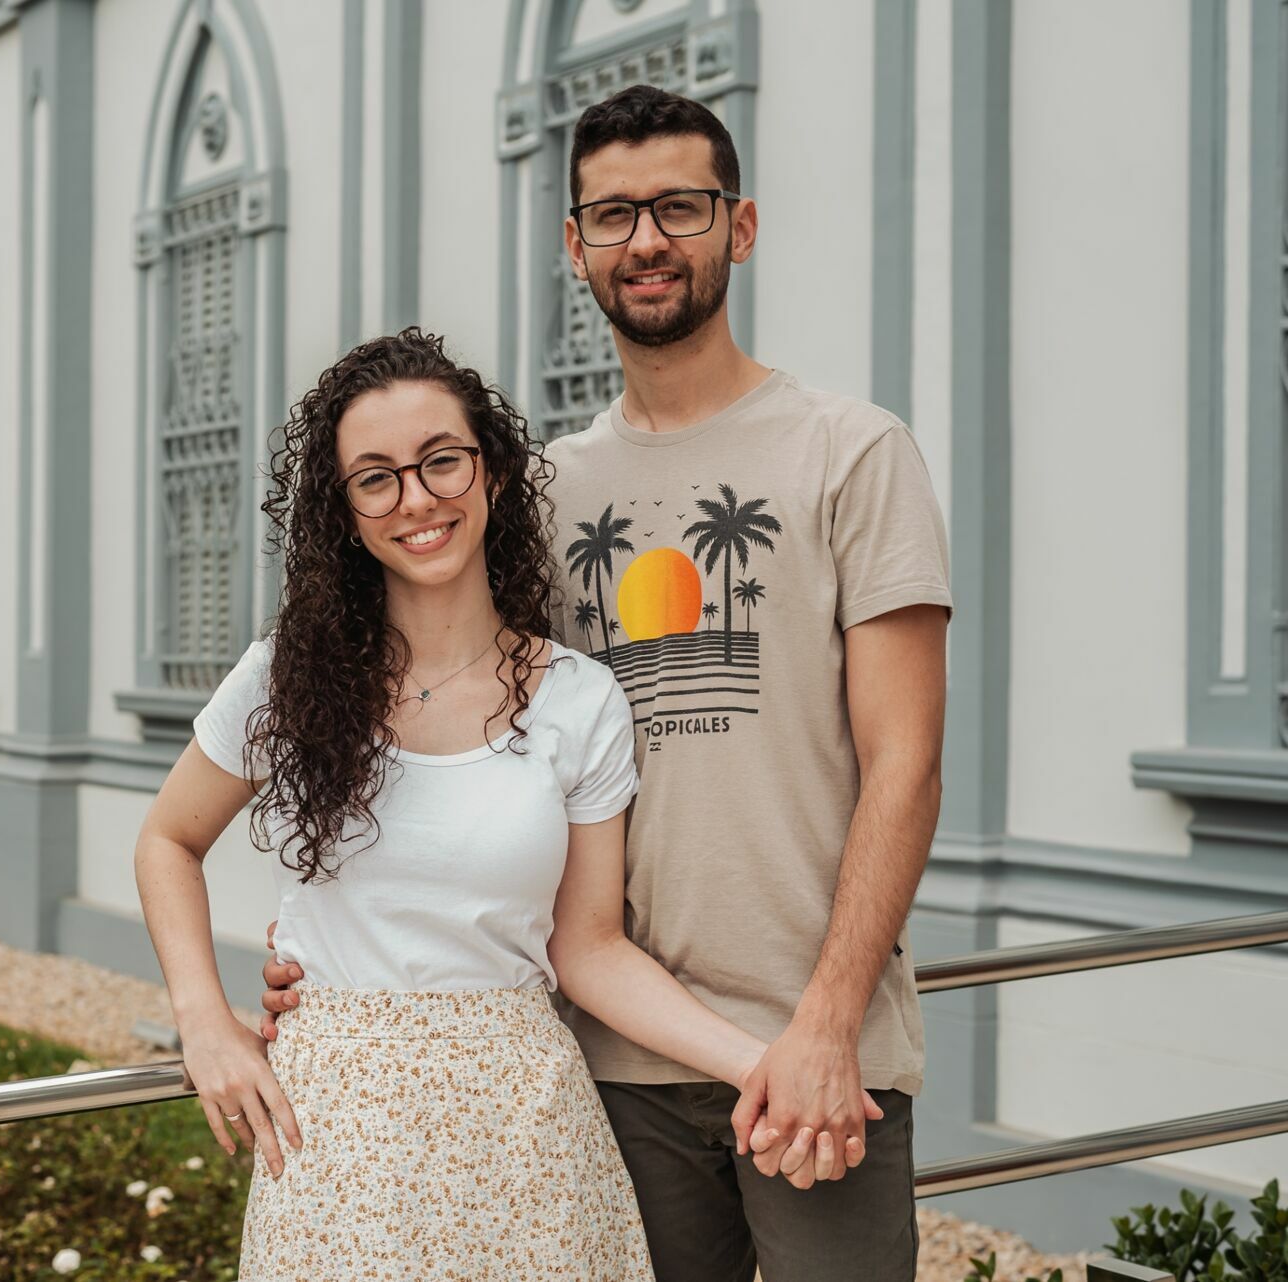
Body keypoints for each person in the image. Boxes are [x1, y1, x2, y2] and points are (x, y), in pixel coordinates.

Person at [259, 86, 952, 1282]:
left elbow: (908, 762)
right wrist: (337, 948)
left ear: (738, 227)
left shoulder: (852, 450)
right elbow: (448, 723)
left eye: (680, 207)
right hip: (606, 1062)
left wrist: (832, 1023)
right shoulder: (535, 492)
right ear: (574, 247)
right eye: (614, 215)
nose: (648, 241)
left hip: (814, 1053)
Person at [133, 329, 862, 1280]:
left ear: (495, 474)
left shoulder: (579, 699)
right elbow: (167, 840)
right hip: (338, 1134)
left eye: (442, 461)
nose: (418, 499)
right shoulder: (286, 678)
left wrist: (758, 1065)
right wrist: (203, 1020)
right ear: (343, 512)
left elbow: (588, 947)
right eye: (376, 478)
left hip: (527, 1134)